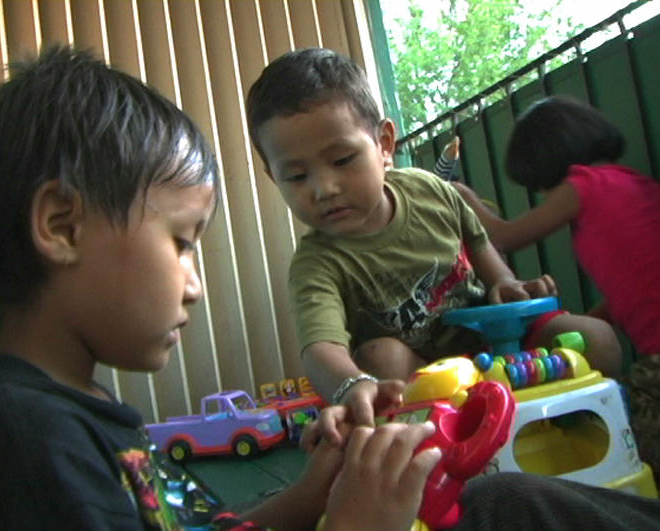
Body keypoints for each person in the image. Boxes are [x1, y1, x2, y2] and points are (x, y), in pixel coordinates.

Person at [0, 46, 446, 530]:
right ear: (62, 227)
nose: (194, 287)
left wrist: (310, 497)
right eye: (179, 243)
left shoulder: (83, 414)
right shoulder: (28, 448)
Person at [244, 47, 622, 442]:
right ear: (274, 178)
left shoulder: (431, 191)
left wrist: (503, 282)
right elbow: (321, 348)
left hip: (503, 348)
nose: (324, 189)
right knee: (380, 357)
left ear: (385, 144)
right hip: (433, 387)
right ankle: (453, 457)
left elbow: (476, 240)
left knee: (599, 338)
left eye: (341, 160)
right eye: (297, 176)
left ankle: (591, 436)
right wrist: (350, 385)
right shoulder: (317, 265)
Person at [451, 95, 660, 496]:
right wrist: (589, 321)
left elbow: (504, 236)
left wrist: (464, 200)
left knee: (613, 436)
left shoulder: (581, 187)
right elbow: (640, 287)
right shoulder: (633, 184)